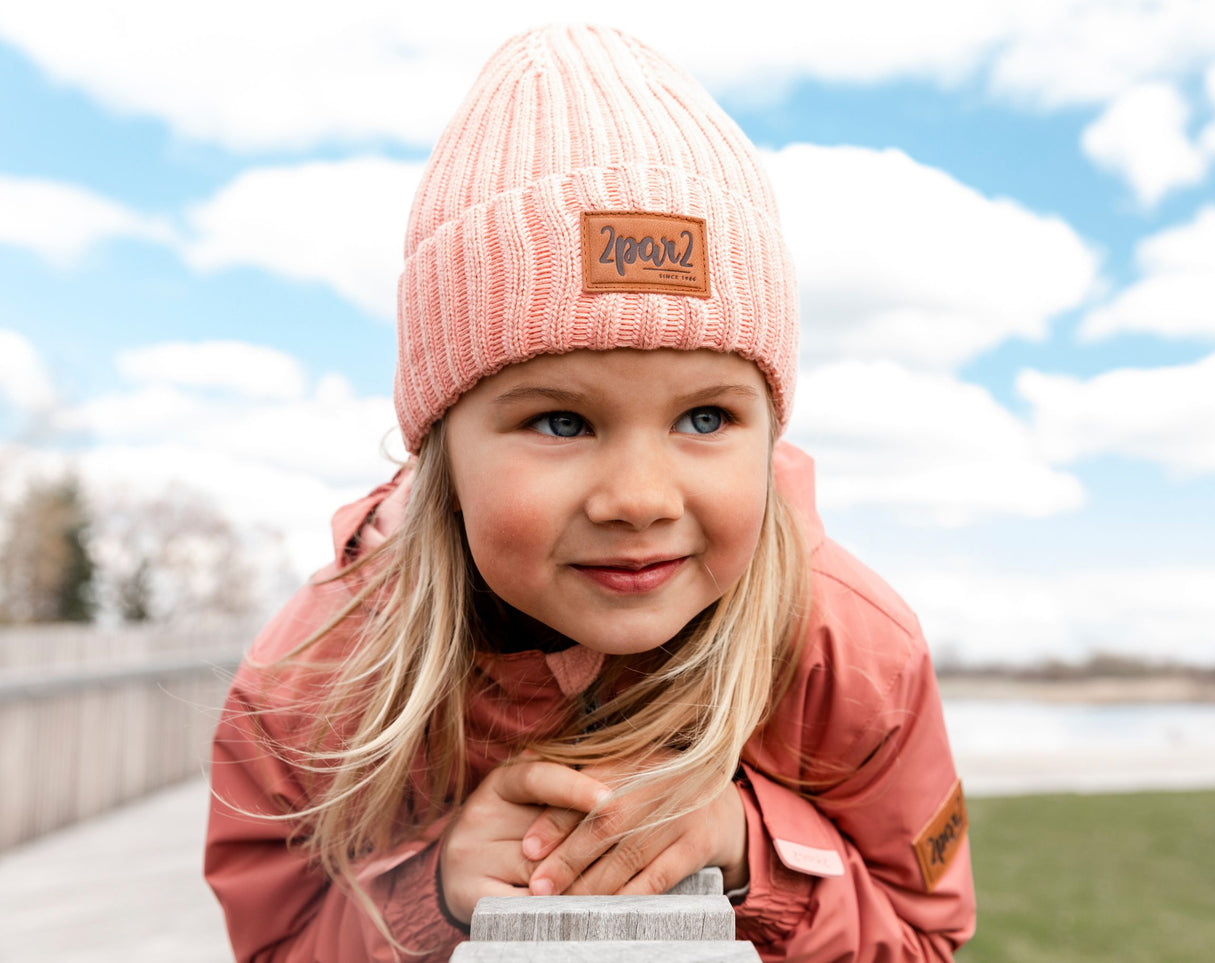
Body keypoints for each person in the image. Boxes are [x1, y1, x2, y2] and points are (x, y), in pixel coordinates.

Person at [204, 24, 975, 962]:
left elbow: (927, 938)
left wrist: (753, 852)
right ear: (441, 443)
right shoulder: (315, 677)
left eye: (704, 418)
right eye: (562, 422)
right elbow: (272, 943)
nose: (640, 499)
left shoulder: (846, 655)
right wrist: (431, 893)